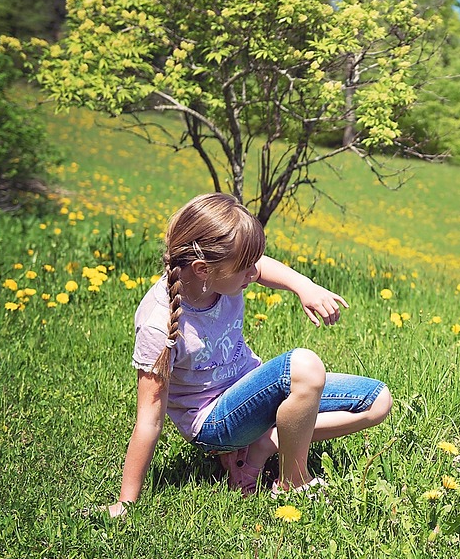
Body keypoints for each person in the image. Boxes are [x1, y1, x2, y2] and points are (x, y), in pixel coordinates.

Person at [104, 193, 391, 517]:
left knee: (377, 401)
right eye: (245, 268)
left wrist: (303, 286)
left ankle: (264, 445)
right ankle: (292, 480)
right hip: (214, 424)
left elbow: (259, 265)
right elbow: (149, 420)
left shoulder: (216, 277)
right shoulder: (160, 323)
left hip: (248, 394)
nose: (254, 274)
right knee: (304, 367)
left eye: (253, 263)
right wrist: (126, 502)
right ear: (202, 269)